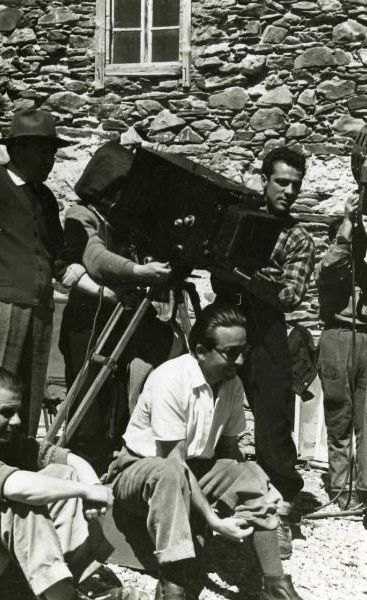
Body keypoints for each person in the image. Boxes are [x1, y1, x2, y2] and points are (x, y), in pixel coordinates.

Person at [107, 304, 305, 600]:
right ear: (201, 350)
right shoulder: (170, 379)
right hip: (142, 473)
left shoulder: (232, 384)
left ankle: (274, 584)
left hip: (194, 470)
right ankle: (172, 583)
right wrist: (213, 521)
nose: (239, 360)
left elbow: (229, 451)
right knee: (170, 474)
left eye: (244, 351)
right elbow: (172, 462)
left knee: (248, 471)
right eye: (231, 353)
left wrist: (256, 494)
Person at [212, 146, 315, 558]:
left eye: (295, 184)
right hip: (224, 319)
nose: (288, 191)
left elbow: (289, 295)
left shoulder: (300, 238)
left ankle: (283, 510)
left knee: (272, 420)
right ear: (264, 180)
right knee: (210, 406)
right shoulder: (239, 217)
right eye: (281, 182)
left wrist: (248, 274)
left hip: (267, 328)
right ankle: (212, 497)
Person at [58, 141, 179, 474]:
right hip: (89, 321)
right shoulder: (81, 215)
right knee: (88, 405)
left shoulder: (126, 224)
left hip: (124, 322)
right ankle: (81, 472)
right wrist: (138, 272)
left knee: (117, 403)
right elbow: (95, 257)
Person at [0, 364, 126, 600]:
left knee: (61, 474)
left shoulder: (9, 442)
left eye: (17, 412)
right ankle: (64, 594)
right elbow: (16, 486)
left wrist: (94, 488)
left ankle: (82, 578)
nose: (16, 421)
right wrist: (84, 491)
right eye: (6, 412)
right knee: (23, 505)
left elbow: (70, 460)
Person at [0, 109, 68, 437]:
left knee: (29, 396)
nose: (50, 159)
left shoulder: (47, 199)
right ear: (18, 148)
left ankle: (19, 468)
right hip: (2, 306)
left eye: (53, 152)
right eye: (43, 150)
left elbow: (59, 259)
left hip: (40, 310)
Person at [316, 195, 367, 511]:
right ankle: (340, 488)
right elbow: (331, 263)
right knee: (339, 416)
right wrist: (347, 224)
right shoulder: (333, 264)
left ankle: (364, 488)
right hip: (337, 337)